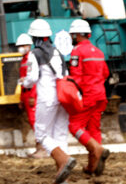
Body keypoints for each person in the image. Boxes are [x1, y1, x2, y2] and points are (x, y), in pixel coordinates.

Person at [20, 19, 77, 184]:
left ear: (34, 37)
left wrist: (24, 82)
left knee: (41, 133)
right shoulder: (57, 52)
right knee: (59, 135)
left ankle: (64, 160)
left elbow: (31, 78)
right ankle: (65, 177)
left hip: (46, 98)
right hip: (63, 97)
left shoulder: (34, 54)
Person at [68, 19, 110, 175]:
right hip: (100, 96)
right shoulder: (98, 52)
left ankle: (96, 149)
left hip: (88, 96)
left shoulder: (77, 51)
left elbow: (76, 77)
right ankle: (93, 166)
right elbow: (105, 73)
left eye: (73, 34)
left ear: (78, 35)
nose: (72, 37)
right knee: (94, 129)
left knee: (74, 126)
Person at [15, 33, 36, 129]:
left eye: (22, 46)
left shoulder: (31, 59)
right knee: (31, 120)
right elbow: (22, 81)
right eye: (19, 46)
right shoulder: (23, 60)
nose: (20, 48)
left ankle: (41, 142)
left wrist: (32, 96)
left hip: (32, 93)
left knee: (34, 120)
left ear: (29, 46)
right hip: (25, 94)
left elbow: (34, 79)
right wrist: (21, 99)